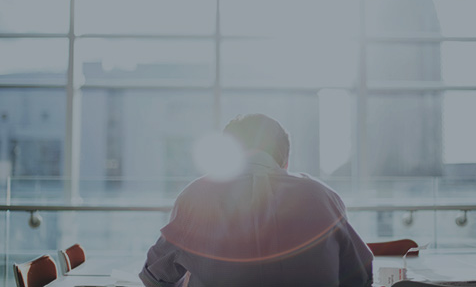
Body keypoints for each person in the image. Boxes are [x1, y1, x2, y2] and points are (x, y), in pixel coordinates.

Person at [139, 114, 373, 287]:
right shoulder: (322, 196)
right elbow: (361, 276)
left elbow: (154, 277)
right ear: (285, 161)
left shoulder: (197, 196)